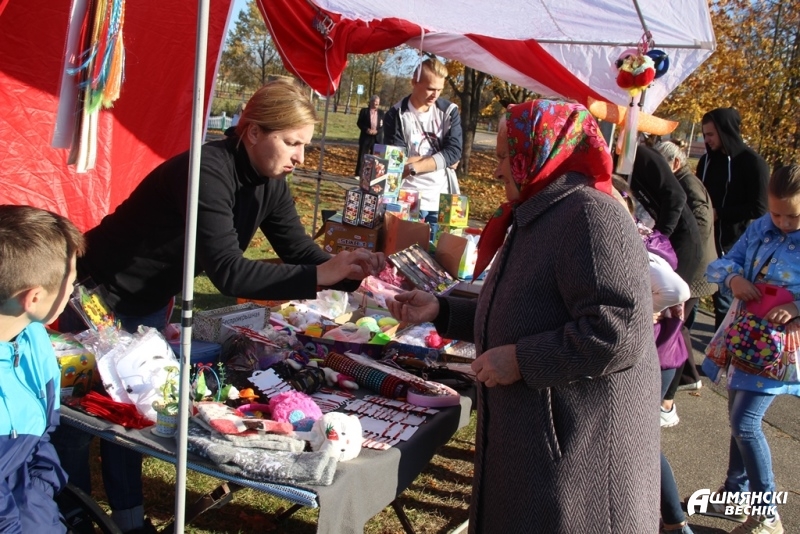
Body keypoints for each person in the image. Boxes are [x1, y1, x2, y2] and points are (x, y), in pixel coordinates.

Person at [51, 79, 384, 533]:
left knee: (134, 415)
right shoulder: (208, 171)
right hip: (97, 293)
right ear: (253, 132)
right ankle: (67, 515)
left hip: (147, 300)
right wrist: (320, 275)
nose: (301, 158)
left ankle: (128, 522)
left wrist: (353, 272)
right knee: (79, 418)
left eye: (305, 145)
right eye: (292, 143)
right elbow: (228, 272)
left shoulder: (270, 182)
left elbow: (297, 249)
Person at [388, 100, 660, 533]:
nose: (497, 171)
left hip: (577, 451)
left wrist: (521, 360)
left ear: (540, 152)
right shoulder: (543, 211)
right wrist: (442, 310)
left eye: (503, 156)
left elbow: (618, 331)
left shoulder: (590, 215)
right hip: (539, 441)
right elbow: (524, 310)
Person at [700, 164, 800, 534]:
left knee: (745, 422)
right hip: (745, 338)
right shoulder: (760, 227)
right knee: (737, 418)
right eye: (776, 214)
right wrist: (733, 278)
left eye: (793, 216)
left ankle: (767, 514)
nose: (783, 223)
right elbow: (724, 263)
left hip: (780, 348)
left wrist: (797, 307)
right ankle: (735, 493)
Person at [611, 178, 695, 534]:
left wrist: (643, 310)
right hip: (656, 354)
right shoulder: (632, 239)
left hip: (655, 357)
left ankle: (675, 522)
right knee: (634, 441)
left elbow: (677, 289)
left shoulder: (635, 246)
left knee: (639, 442)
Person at [0, 204, 86, 533]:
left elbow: (42, 436)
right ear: (34, 298)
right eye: (71, 283)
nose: (72, 291)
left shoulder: (33, 337)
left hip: (29, 501)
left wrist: (40, 498)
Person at [656, 140, 718, 422]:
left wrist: (679, 255)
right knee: (678, 328)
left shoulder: (687, 185)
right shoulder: (681, 182)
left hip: (693, 270)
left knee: (676, 330)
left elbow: (701, 223)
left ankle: (667, 400)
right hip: (689, 267)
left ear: (676, 163)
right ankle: (688, 379)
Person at [696, 107, 770, 328]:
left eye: (711, 134)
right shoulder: (706, 161)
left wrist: (720, 213)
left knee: (724, 304)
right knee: (692, 296)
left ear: (725, 131)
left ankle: (725, 346)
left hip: (733, 245)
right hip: (704, 241)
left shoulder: (753, 163)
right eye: (704, 134)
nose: (706, 140)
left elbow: (760, 208)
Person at [383, 57, 462, 224]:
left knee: (440, 242)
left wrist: (414, 167)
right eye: (430, 88)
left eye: (440, 89)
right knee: (405, 241)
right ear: (414, 82)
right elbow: (397, 161)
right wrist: (441, 158)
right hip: (406, 198)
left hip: (441, 199)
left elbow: (454, 152)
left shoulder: (449, 111)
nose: (435, 95)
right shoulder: (396, 114)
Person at [354, 95, 384, 177]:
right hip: (366, 137)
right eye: (375, 101)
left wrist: (377, 131)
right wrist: (367, 130)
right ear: (371, 102)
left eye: (378, 102)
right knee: (363, 156)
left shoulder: (381, 112)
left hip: (377, 138)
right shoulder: (364, 111)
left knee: (376, 157)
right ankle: (359, 174)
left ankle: (373, 174)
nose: (377, 103)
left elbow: (383, 126)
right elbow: (359, 123)